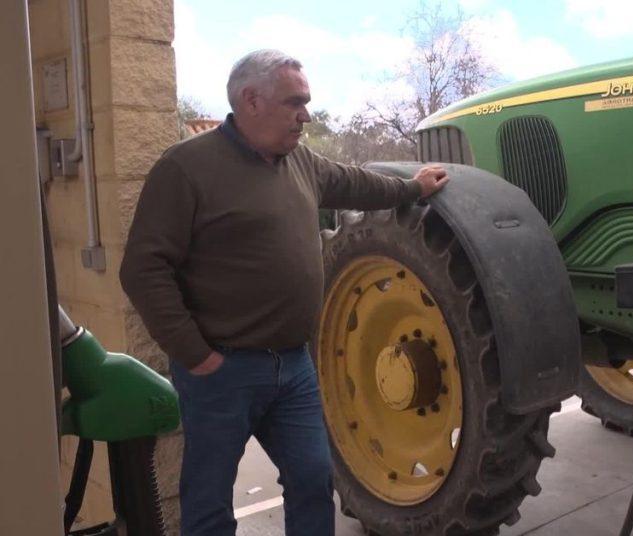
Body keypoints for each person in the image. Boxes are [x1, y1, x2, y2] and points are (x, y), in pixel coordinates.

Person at [119, 49, 448, 536]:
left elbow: (356, 184)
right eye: (295, 102)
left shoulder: (301, 162)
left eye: (307, 102)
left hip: (293, 367)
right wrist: (196, 354)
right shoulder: (187, 168)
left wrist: (412, 189)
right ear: (251, 100)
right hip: (222, 372)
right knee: (209, 500)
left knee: (314, 480)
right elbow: (143, 269)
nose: (306, 114)